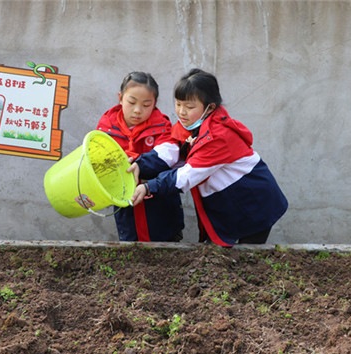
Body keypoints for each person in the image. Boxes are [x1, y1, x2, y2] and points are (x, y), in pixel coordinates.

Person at [130, 68, 288, 247]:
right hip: (229, 203)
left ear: (210, 107)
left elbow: (187, 176)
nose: (181, 112)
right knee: (220, 254)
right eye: (178, 104)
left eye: (189, 107)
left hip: (254, 202)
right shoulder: (190, 126)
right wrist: (141, 164)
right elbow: (171, 148)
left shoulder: (217, 137)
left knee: (248, 255)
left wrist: (150, 187)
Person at [94, 71, 184, 242]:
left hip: (160, 205)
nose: (137, 110)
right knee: (131, 247)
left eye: (146, 104)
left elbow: (168, 155)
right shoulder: (106, 127)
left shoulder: (163, 126)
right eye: (131, 102)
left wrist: (140, 163)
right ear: (120, 98)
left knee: (168, 249)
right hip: (127, 207)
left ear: (155, 103)